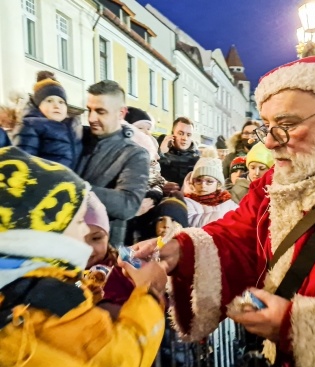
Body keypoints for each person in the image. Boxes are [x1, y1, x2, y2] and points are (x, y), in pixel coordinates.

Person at [129, 53, 315, 367]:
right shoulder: (277, 179)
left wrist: (295, 325)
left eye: (286, 125)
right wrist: (180, 249)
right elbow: (240, 232)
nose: (268, 142)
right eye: (268, 126)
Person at [0, 146, 167, 367]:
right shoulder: (46, 301)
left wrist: (89, 286)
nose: (86, 230)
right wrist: (150, 292)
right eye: (78, 221)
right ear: (45, 230)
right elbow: (117, 364)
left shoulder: (18, 286)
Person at [76, 80, 150, 247]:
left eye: (101, 112)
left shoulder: (135, 154)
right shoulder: (76, 137)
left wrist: (74, 189)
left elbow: (127, 204)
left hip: (99, 249)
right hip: (62, 240)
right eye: (90, 110)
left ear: (121, 113)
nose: (91, 118)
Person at [15, 71, 82, 170]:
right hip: (45, 182)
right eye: (49, 101)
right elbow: (24, 161)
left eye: (61, 102)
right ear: (38, 106)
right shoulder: (31, 125)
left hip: (69, 182)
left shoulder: (72, 128)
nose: (56, 105)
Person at [184, 153, 238, 227]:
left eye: (209, 181)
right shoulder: (187, 202)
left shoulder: (229, 204)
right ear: (193, 182)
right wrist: (222, 216)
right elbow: (191, 222)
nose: (203, 185)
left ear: (218, 184)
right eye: (198, 181)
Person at [158, 117, 200, 187]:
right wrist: (161, 153)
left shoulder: (197, 159)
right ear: (172, 134)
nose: (185, 138)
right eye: (180, 133)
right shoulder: (159, 154)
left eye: (188, 135)